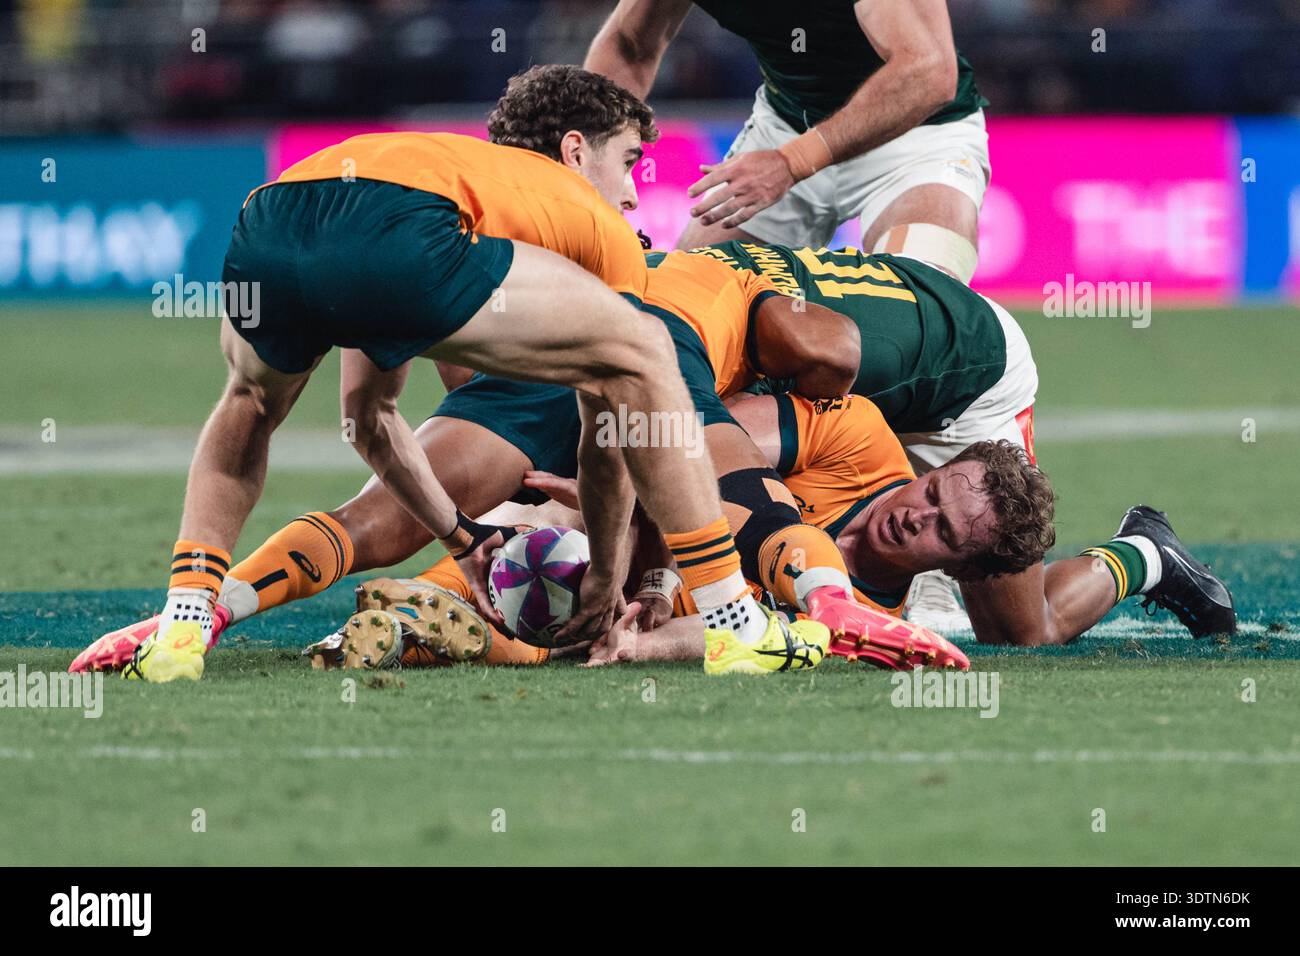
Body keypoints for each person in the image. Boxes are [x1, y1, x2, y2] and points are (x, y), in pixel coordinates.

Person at [127, 64, 825, 683]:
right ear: (575, 151)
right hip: (403, 226)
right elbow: (609, 423)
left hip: (273, 214)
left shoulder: (458, 175)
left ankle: (183, 623)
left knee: (249, 402)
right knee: (645, 351)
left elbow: (368, 421)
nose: (635, 196)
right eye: (631, 161)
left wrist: (463, 539)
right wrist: (609, 572)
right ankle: (736, 626)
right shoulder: (589, 218)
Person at [584, 0, 990, 281]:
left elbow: (928, 71)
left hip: (919, 135)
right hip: (785, 125)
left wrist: (793, 162)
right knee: (689, 308)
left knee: (921, 307)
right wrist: (589, 174)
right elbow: (630, 45)